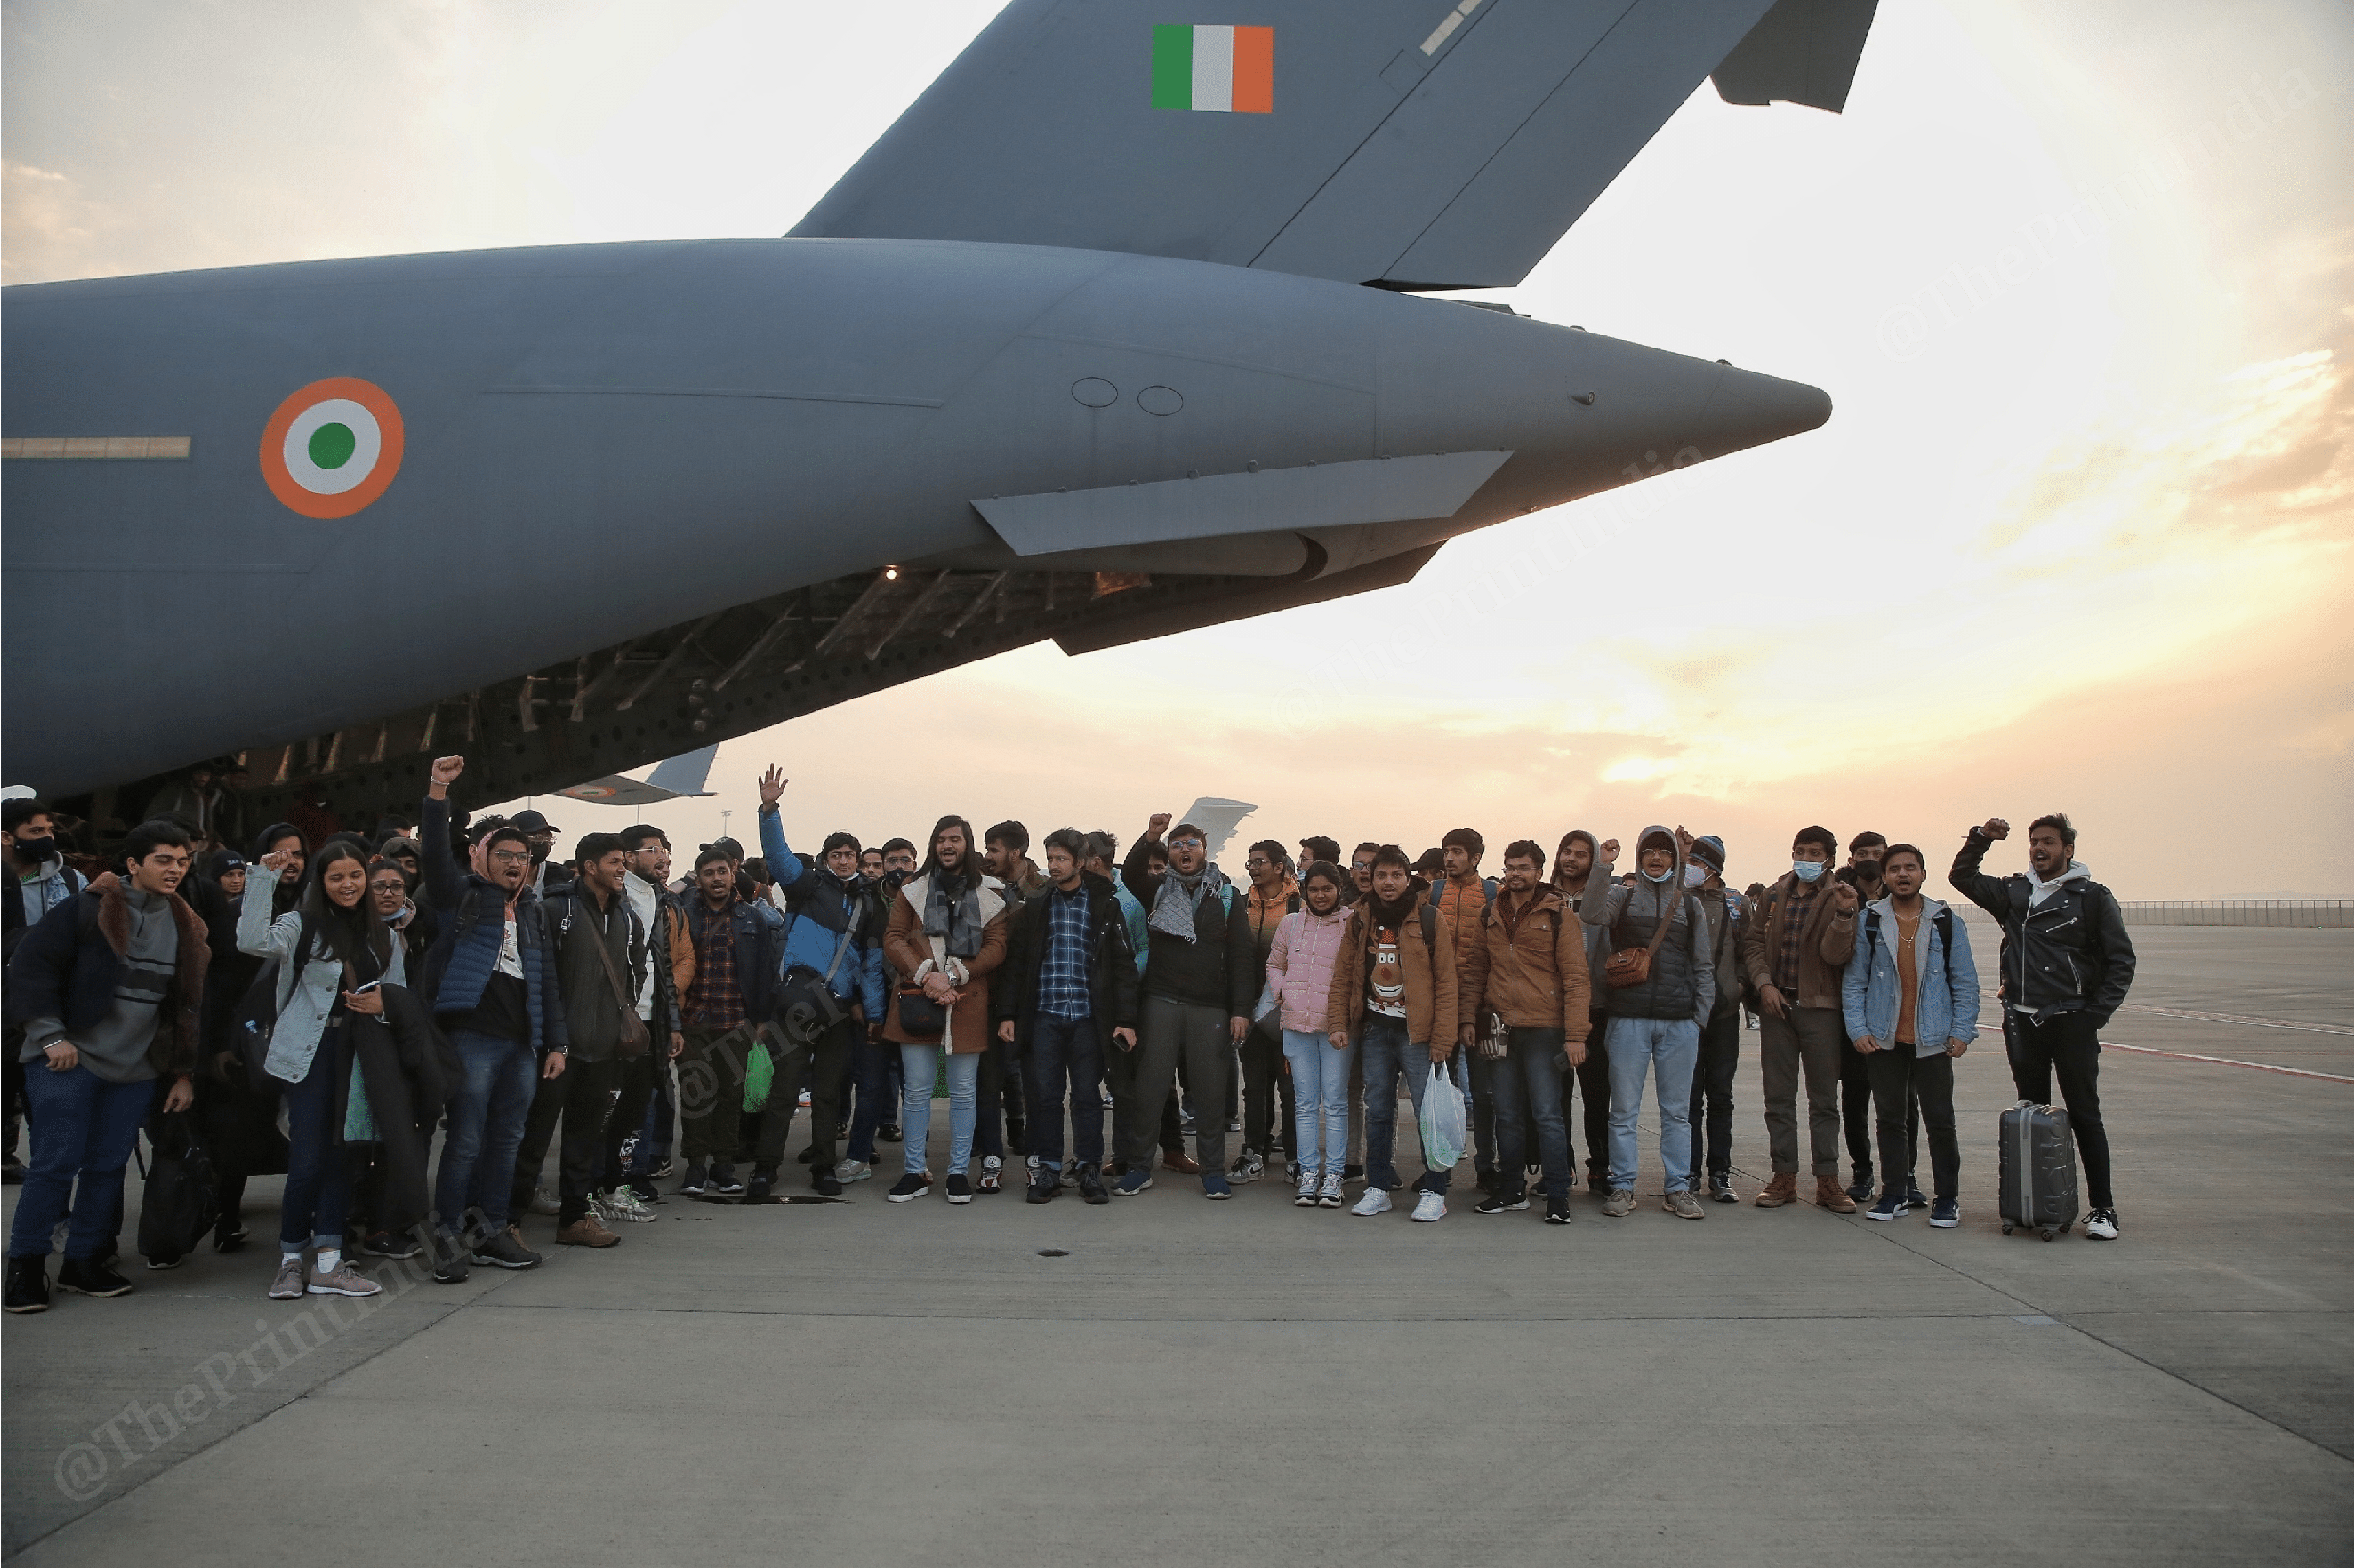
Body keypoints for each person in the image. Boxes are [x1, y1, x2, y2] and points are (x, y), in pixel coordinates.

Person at [3, 821, 204, 1312]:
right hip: (69, 1058)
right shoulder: (87, 909)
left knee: (107, 1168)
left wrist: (182, 1071)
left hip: (135, 1068)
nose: (175, 869)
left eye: (182, 861)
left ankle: (84, 1262)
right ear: (134, 865)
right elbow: (32, 967)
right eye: (163, 859)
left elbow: (188, 1005)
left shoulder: (187, 925)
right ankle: (26, 1268)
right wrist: (50, 1035)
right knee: (54, 1165)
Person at [417, 757, 568, 1279]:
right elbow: (435, 855)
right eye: (503, 853)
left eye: (522, 857)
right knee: (465, 1140)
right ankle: (447, 1236)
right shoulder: (460, 896)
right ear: (481, 856)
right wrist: (439, 790)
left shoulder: (532, 912)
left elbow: (547, 981)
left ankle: (493, 1231)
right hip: (472, 1039)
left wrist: (556, 1044)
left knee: (508, 1140)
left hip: (521, 1044)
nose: (515, 863)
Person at [1950, 814, 2135, 1240]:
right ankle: (2038, 1204)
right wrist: (1981, 838)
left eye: (2049, 842)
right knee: (2031, 1111)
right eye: (2034, 841)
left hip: (2072, 1020)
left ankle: (2103, 1209)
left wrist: (2093, 1017)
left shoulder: (2092, 897)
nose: (2039, 848)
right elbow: (1962, 876)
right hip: (2021, 1020)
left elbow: (2121, 962)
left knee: (2085, 1114)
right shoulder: (2015, 893)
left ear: (2068, 849)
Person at [243, 838, 410, 1298]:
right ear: (321, 882)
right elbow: (251, 941)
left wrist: (385, 1003)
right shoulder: (301, 924)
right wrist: (263, 878)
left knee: (342, 1157)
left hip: (361, 1055)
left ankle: (330, 1263)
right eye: (336, 877)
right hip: (310, 1054)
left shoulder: (387, 935)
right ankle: (291, 1260)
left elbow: (399, 995)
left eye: (355, 875)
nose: (348, 885)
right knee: (307, 1160)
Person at [515, 833, 660, 1248]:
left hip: (602, 1050)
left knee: (581, 1140)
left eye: (622, 862)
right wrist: (550, 1038)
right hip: (555, 1050)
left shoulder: (627, 918)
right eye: (614, 862)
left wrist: (620, 1023)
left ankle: (574, 1220)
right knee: (534, 1139)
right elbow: (538, 978)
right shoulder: (555, 910)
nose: (622, 869)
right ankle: (506, 1221)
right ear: (590, 866)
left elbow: (636, 973)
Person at [758, 768, 886, 1197]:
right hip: (798, 998)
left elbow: (871, 965)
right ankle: (765, 1168)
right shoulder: (807, 887)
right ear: (826, 858)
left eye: (850, 853)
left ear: (858, 858)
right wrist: (770, 810)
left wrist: (872, 1014)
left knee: (829, 1095)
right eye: (836, 854)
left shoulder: (870, 902)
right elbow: (778, 859)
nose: (844, 860)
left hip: (839, 1008)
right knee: (784, 1090)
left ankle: (824, 1167)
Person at [1576, 828, 1713, 1219]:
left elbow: (1703, 964)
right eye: (1649, 852)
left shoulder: (1689, 905)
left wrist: (1698, 1019)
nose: (1656, 858)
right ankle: (1622, 1186)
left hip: (1678, 1023)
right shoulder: (1623, 895)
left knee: (1677, 1112)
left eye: (1664, 853)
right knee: (1623, 1111)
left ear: (1673, 859)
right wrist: (1603, 867)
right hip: (1628, 1019)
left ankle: (1678, 1188)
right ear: (1638, 857)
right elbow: (1590, 913)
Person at [995, 828, 1137, 1205]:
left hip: (1089, 1016)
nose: (1054, 866)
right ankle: (1049, 1170)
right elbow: (1018, 964)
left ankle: (1090, 1168)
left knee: (1088, 1097)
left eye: (1061, 859)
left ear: (1080, 861)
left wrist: (1126, 1018)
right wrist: (1008, 1014)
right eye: (1050, 859)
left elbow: (1122, 965)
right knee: (1045, 1097)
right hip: (1045, 1015)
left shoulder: (1105, 904)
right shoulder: (1037, 905)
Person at [1119, 815, 1254, 1197]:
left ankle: (1213, 1171)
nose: (1184, 850)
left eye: (1191, 844)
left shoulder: (1227, 896)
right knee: (1151, 1088)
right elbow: (1130, 874)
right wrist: (1151, 837)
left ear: (1205, 851)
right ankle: (1140, 1167)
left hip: (1209, 1007)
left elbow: (1242, 956)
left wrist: (1241, 1010)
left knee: (1210, 1094)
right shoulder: (1157, 890)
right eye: (1177, 845)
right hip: (1160, 1001)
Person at [1844, 844, 1978, 1226]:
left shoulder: (1946, 921)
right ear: (1884, 877)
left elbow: (1964, 981)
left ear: (1922, 873)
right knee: (1889, 1119)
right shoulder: (1869, 921)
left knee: (1940, 1121)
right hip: (1884, 1038)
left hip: (1933, 1038)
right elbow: (1854, 982)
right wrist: (1858, 1029)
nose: (1903, 875)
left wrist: (1962, 1031)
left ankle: (1947, 1198)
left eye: (1911, 868)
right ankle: (1894, 1194)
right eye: (1895, 869)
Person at [1327, 847, 1462, 1220]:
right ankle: (1379, 1186)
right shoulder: (1359, 920)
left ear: (1407, 879)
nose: (1388, 883)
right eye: (1381, 875)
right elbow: (1343, 975)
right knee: (1379, 1110)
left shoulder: (1430, 919)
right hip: (1375, 1030)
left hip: (1417, 1035)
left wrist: (1442, 1039)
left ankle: (1436, 1189)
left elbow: (1447, 984)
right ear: (1372, 878)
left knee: (1427, 1113)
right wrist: (1339, 1023)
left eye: (1396, 876)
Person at [881, 816, 1010, 1204]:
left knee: (964, 1092)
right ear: (933, 845)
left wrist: (954, 976)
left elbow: (997, 946)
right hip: (918, 998)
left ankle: (957, 1173)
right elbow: (894, 938)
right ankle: (914, 1172)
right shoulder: (914, 889)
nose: (947, 846)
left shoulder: (991, 894)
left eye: (955, 839)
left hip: (967, 1000)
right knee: (917, 1092)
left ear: (967, 845)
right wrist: (927, 975)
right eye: (941, 840)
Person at [1462, 840, 1591, 1224]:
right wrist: (1469, 1018)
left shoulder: (1559, 916)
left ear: (1539, 871)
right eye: (1510, 867)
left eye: (1524, 868)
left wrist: (1576, 1035)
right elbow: (1474, 971)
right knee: (1506, 1112)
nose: (1516, 874)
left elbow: (1576, 977)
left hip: (1544, 1029)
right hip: (1497, 1026)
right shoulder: (1491, 913)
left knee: (1548, 1114)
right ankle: (1512, 1188)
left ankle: (1556, 1194)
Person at [1740, 826, 1861, 1213]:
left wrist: (1844, 916)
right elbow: (1754, 943)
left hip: (1821, 1010)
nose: (1806, 859)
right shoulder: (1775, 895)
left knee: (1824, 1100)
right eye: (1800, 851)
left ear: (1829, 859)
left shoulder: (1839, 896)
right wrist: (1764, 985)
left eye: (1815, 853)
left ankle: (1827, 1179)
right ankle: (1784, 1177)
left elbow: (1837, 955)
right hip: (1778, 1010)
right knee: (1778, 1098)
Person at [675, 838, 782, 1199]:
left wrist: (763, 1019)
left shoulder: (752, 916)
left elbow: (766, 971)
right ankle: (695, 1165)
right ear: (699, 879)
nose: (717, 878)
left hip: (737, 1020)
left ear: (734, 873)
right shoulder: (684, 913)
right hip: (693, 1019)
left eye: (722, 871)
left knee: (729, 1097)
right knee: (695, 1094)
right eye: (708, 873)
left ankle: (724, 1164)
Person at [605, 825, 691, 1210]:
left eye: (665, 850)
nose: (664, 857)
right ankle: (603, 1183)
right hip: (610, 1022)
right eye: (653, 849)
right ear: (628, 857)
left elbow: (665, 965)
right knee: (609, 1107)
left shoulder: (665, 901)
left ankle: (634, 1176)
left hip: (650, 1021)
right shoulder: (612, 898)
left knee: (642, 1105)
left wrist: (672, 1023)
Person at [1257, 860, 1352, 1206]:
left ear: (1339, 889)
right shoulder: (1290, 924)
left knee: (1337, 1102)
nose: (1321, 895)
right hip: (1295, 1025)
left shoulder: (1351, 924)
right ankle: (1309, 1173)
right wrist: (1283, 991)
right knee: (1305, 1103)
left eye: (1327, 888)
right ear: (1304, 891)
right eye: (1314, 889)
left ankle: (1335, 1175)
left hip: (1336, 1029)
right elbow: (1274, 963)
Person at [4, 800, 89, 1183]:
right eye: (35, 832)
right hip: (4, 1016)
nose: (47, 838)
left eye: (49, 830)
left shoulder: (70, 882)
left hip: (51, 1019)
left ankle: (51, 1213)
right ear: (7, 838)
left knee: (50, 1122)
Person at [1683, 836, 1750, 1202]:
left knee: (1721, 1095)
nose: (1690, 866)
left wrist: (1738, 984)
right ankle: (1690, 1171)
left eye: (1696, 860)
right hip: (1687, 1014)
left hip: (1724, 1012)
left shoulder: (1737, 904)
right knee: (1689, 1099)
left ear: (1713, 867)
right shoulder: (1681, 898)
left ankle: (1720, 1173)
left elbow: (1748, 949)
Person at [976, 820, 1042, 1183]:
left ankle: (1037, 1160)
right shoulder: (983, 889)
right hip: (989, 1000)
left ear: (1015, 853)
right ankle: (990, 1158)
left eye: (994, 850)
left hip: (1032, 1002)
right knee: (987, 1085)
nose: (988, 857)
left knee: (1036, 1085)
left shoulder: (1044, 892)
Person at [1232, 838, 1299, 1185]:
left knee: (1289, 1087)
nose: (1254, 868)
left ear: (1279, 866)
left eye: (1259, 862)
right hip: (1251, 1011)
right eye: (1250, 863)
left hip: (1288, 1011)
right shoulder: (1242, 905)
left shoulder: (1298, 906)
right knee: (1254, 1087)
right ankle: (1254, 1150)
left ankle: (1294, 1155)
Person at [1549, 830, 1612, 1195]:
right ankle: (1561, 1166)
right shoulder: (1545, 896)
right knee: (1555, 1095)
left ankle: (1600, 1168)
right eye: (1567, 852)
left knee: (1596, 1093)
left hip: (1596, 1010)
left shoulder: (1605, 894)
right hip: (1553, 1011)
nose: (1572, 859)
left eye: (1581, 854)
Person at [1836, 830, 1892, 1201]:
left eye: (1878, 852)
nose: (1871, 857)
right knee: (1855, 1100)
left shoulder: (1905, 898)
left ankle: (1903, 1175)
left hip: (1895, 1015)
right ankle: (1862, 1171)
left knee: (1900, 1104)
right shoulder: (1839, 895)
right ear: (1852, 859)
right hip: (1852, 1014)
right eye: (1863, 853)